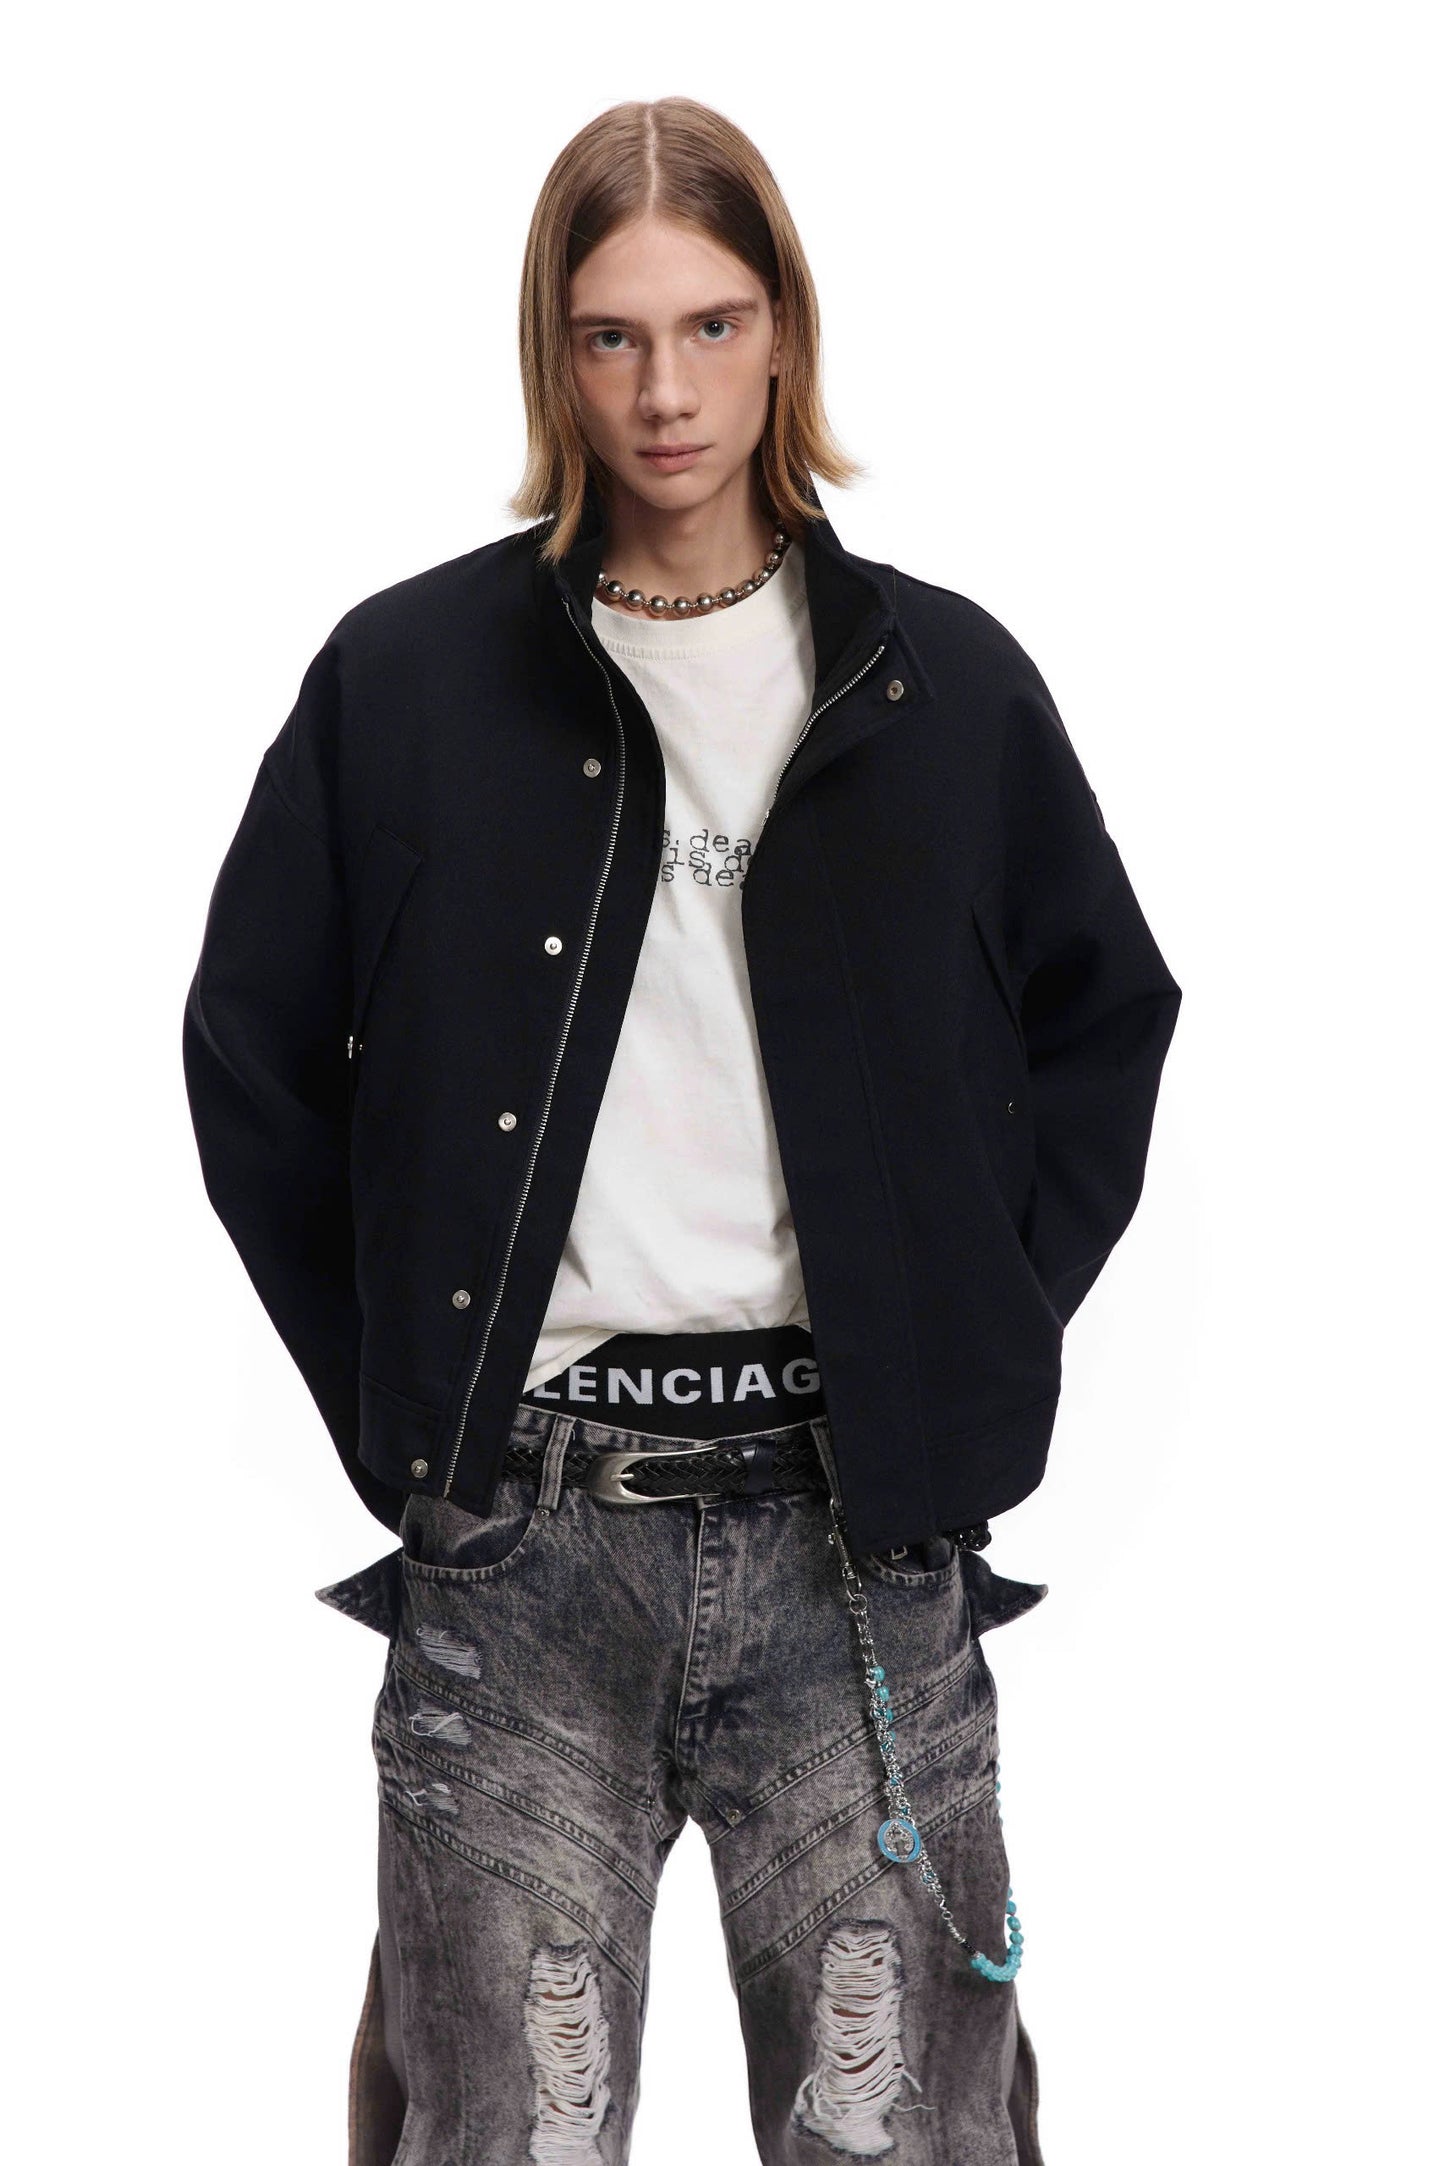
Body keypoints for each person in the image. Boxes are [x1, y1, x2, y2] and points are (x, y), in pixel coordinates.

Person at [182, 95, 1182, 2166]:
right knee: (505, 2134)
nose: (667, 393)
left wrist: (957, 1334)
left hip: (860, 1541)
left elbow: (1106, 1020)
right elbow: (257, 1061)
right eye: (613, 336)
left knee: (905, 2134)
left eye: (713, 327)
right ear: (551, 355)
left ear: (783, 332)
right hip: (524, 1548)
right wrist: (414, 1400)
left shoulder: (940, 683)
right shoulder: (404, 680)